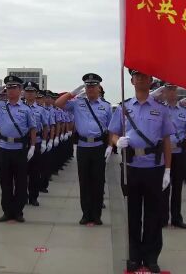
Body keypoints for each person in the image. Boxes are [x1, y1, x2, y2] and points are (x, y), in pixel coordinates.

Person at [108, 68, 173, 274]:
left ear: (151, 80)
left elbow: (167, 141)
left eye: (144, 76)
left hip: (154, 167)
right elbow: (112, 134)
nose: (141, 79)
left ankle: (151, 256)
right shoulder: (124, 108)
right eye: (137, 76)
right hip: (131, 167)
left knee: (154, 214)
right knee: (133, 214)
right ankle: (135, 256)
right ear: (132, 80)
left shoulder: (161, 109)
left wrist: (168, 170)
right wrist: (119, 141)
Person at [56, 73, 112, 225]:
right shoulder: (77, 103)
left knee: (98, 181)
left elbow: (111, 129)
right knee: (85, 181)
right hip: (83, 147)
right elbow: (58, 104)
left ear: (99, 88)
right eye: (88, 86)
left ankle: (97, 214)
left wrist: (110, 147)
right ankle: (86, 214)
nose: (90, 89)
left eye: (93, 86)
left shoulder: (106, 106)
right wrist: (73, 93)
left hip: (99, 147)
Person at [0, 75, 36, 223]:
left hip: (19, 149)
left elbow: (32, 129)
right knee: (5, 182)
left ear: (20, 90)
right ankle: (7, 211)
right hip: (3, 148)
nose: (11, 90)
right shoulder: (0, 106)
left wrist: (33, 146)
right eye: (8, 88)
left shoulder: (26, 109)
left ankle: (18, 212)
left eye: (14, 87)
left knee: (20, 182)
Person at [161, 83, 186, 229]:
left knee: (177, 187)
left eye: (174, 89)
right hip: (164, 154)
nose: (171, 92)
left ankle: (176, 217)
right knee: (163, 186)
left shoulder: (184, 111)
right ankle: (163, 217)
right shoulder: (160, 109)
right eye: (169, 89)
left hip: (179, 153)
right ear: (164, 92)